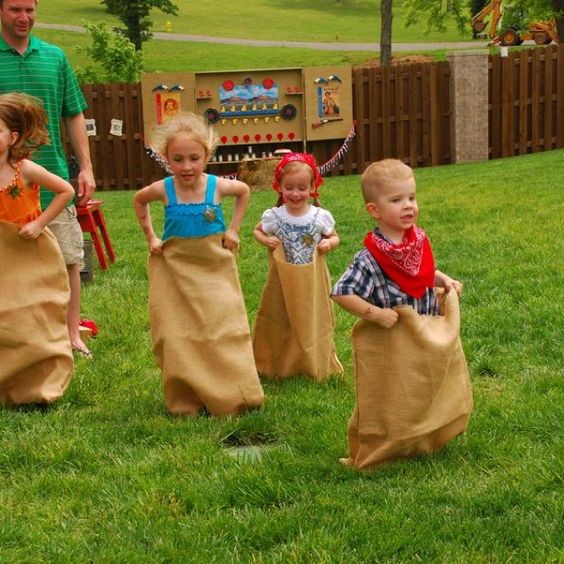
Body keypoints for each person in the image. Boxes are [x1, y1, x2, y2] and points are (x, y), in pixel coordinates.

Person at [331, 159, 473, 470]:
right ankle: (381, 444)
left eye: (411, 197)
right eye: (396, 200)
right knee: (391, 395)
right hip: (393, 339)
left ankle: (424, 438)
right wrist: (375, 313)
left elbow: (423, 273)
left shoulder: (417, 241)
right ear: (374, 210)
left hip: (423, 332)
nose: (408, 206)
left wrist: (443, 280)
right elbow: (342, 291)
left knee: (424, 387)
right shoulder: (370, 258)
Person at [134, 112, 264, 416]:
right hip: (177, 272)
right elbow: (139, 200)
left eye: (194, 158)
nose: (186, 166)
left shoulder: (217, 187)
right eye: (178, 159)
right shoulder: (164, 189)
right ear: (166, 157)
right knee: (178, 331)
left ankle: (234, 391)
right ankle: (187, 395)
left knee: (223, 327)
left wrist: (233, 229)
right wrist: (151, 237)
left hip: (214, 270)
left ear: (206, 156)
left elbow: (244, 192)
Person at [0, 0, 96, 358]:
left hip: (51, 176)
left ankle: (72, 335)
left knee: (69, 259)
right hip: (3, 185)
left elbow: (74, 114)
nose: (23, 18)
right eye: (14, 10)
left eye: (29, 10)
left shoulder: (54, 57)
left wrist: (85, 167)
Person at [0, 92, 75, 404]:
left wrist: (40, 223)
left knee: (32, 316)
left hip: (28, 253)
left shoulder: (25, 170)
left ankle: (41, 382)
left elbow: (65, 191)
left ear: (12, 136)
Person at [252, 152, 343, 380]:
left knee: (312, 318)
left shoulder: (320, 216)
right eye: (289, 187)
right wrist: (266, 240)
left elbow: (335, 237)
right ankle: (277, 360)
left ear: (312, 188)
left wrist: (328, 243)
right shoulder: (274, 216)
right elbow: (257, 231)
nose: (295, 193)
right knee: (282, 316)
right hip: (282, 279)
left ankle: (313, 360)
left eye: (302, 188)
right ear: (279, 188)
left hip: (312, 279)